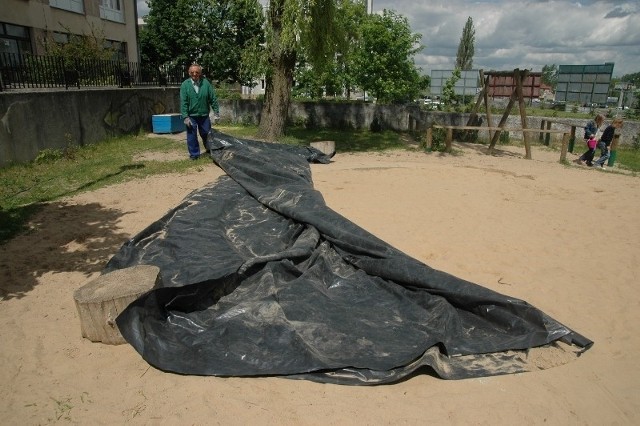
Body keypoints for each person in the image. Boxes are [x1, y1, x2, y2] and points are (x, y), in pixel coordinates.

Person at [180, 64, 220, 160]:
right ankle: (194, 155)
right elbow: (183, 102)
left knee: (207, 133)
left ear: (200, 73)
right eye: (192, 72)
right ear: (189, 73)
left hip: (204, 115)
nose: (195, 74)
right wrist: (185, 116)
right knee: (191, 136)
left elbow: (212, 98)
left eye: (197, 72)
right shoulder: (185, 85)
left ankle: (210, 150)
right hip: (191, 115)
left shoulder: (206, 83)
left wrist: (216, 112)